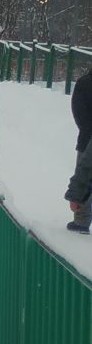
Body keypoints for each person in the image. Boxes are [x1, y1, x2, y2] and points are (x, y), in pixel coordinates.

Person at [67, 67, 91, 234]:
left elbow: (78, 111)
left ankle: (81, 220)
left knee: (85, 170)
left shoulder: (84, 83)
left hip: (87, 137)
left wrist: (86, 130)